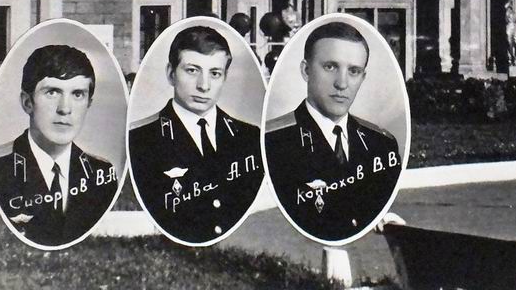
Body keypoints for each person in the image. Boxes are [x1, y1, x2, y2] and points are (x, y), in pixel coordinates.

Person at [265, 21, 402, 242]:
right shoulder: (273, 142)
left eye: (354, 71)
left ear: (363, 78)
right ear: (306, 71)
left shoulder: (381, 144)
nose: (342, 83)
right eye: (330, 67)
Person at [128, 26, 263, 244]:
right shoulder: (140, 140)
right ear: (171, 74)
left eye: (215, 74)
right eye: (192, 71)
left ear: (225, 78)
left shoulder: (251, 138)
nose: (204, 86)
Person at [0, 45, 118, 247]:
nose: (65, 109)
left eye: (78, 94)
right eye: (52, 92)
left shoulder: (100, 173)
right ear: (27, 102)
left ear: (88, 104)